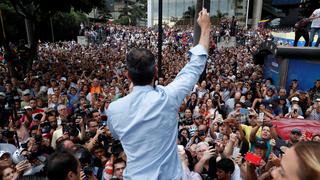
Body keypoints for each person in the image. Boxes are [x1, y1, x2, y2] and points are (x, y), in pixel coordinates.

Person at [106, 9, 211, 179]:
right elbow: (195, 65)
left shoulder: (114, 109)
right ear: (156, 72)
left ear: (128, 76)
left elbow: (116, 134)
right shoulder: (167, 98)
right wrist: (205, 27)